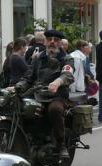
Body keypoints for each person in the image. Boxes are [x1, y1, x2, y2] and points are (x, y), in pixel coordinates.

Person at [18, 29, 74, 158]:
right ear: (45, 41)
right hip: (38, 94)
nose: (52, 42)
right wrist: (17, 86)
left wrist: (58, 82)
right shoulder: (38, 58)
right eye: (49, 40)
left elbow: (68, 75)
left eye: (56, 40)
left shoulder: (66, 58)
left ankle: (61, 144)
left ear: (60, 43)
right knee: (20, 107)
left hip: (57, 95)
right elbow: (28, 77)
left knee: (55, 110)